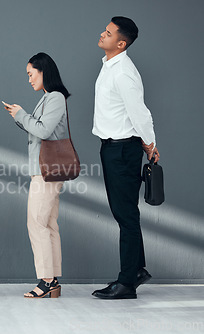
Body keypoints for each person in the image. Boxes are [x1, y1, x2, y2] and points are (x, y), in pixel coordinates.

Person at [91, 16, 160, 299]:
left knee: (126, 216)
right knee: (126, 214)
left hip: (122, 149)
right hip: (113, 148)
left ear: (121, 43)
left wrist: (150, 145)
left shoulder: (123, 72)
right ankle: (137, 270)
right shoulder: (110, 65)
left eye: (108, 33)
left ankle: (126, 283)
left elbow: (139, 112)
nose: (102, 34)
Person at [4, 53, 70, 298]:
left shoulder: (55, 97)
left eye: (31, 74)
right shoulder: (47, 98)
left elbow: (43, 130)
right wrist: (20, 117)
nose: (29, 79)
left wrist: (21, 114)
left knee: (36, 222)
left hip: (46, 170)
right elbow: (39, 129)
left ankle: (46, 280)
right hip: (44, 170)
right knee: (49, 224)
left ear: (43, 71)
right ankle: (52, 280)